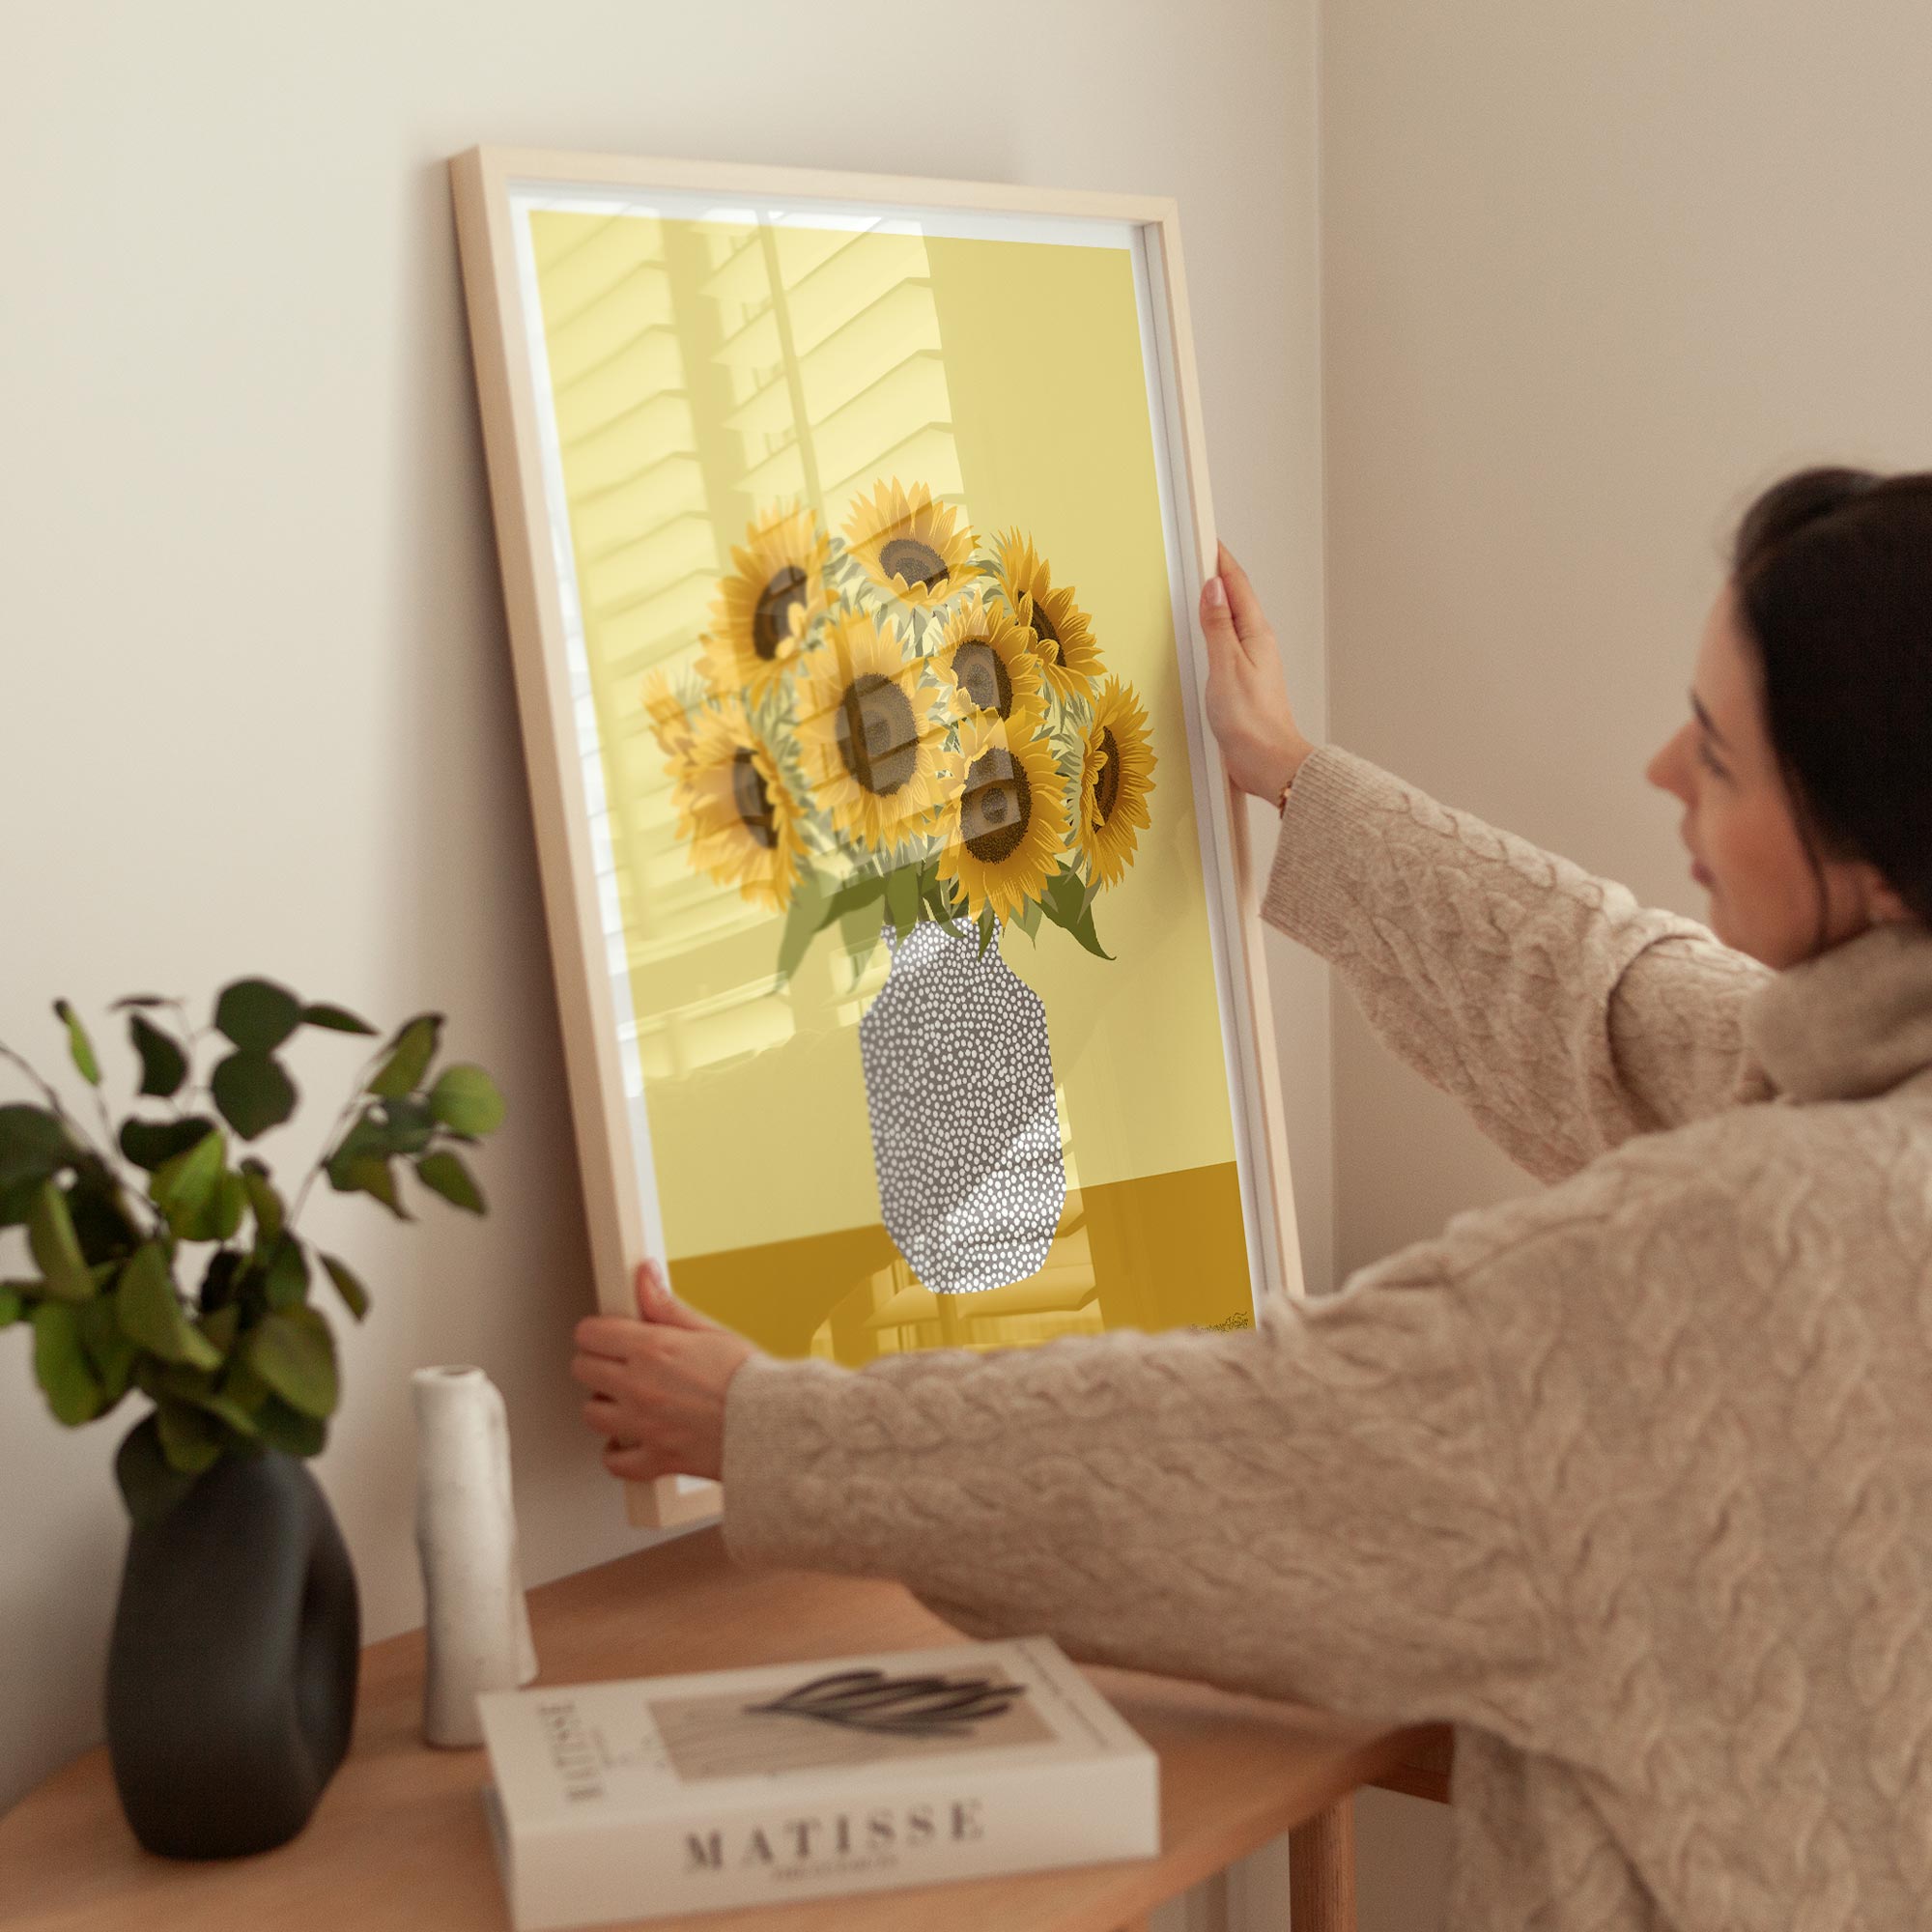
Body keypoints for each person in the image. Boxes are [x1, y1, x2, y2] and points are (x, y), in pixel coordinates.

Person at [570, 467, 1932, 1929]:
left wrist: (765, 1429)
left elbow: (1241, 1450)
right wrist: (1293, 776)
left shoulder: (1721, 1260)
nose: (1664, 769)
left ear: (1872, 858)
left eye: (1720, 758)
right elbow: (1613, 1003)